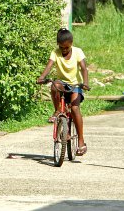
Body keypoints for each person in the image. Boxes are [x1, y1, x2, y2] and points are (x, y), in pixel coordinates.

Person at [37, 27, 89, 156]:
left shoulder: (78, 52)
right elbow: (49, 66)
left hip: (76, 84)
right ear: (58, 45)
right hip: (62, 83)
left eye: (67, 48)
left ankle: (81, 141)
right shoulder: (55, 53)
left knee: (75, 108)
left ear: (71, 43)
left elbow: (83, 68)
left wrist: (86, 83)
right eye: (62, 48)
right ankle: (58, 110)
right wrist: (42, 77)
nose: (64, 50)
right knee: (55, 85)